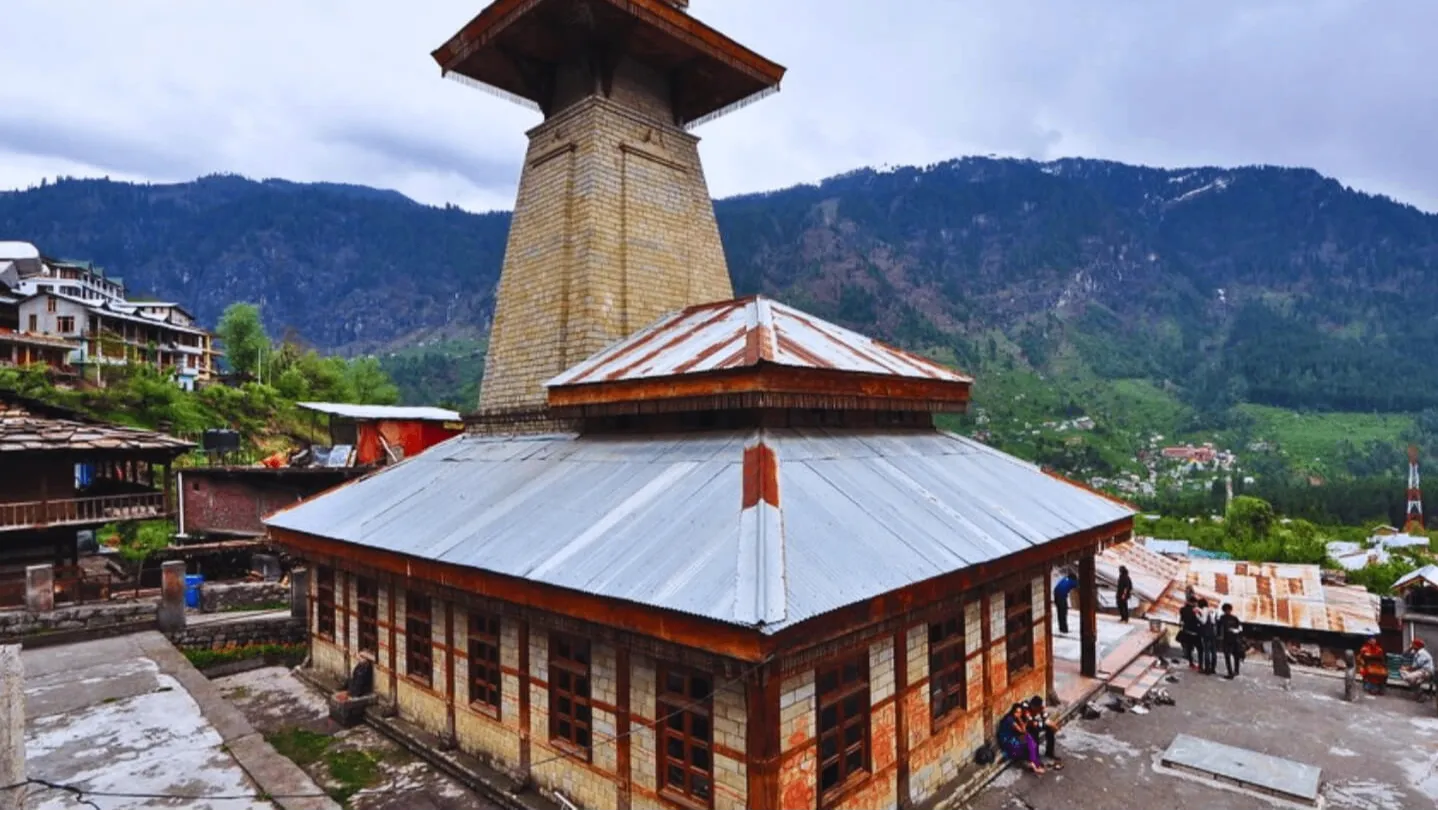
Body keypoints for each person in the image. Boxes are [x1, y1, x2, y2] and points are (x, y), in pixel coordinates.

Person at [997, 703, 1045, 774]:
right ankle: (1035, 765)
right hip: (1007, 740)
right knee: (1029, 742)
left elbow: (1023, 730)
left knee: (1031, 741)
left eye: (1020, 712)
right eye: (1017, 712)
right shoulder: (1010, 719)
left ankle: (1035, 763)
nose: (1018, 714)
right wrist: (1020, 719)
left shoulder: (1014, 718)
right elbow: (1023, 730)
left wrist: (1021, 719)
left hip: (1012, 737)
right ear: (1013, 711)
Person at [1026, 695, 1063, 770]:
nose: (1038, 710)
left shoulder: (1040, 707)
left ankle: (1049, 752)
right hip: (1026, 726)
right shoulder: (1026, 711)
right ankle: (1035, 758)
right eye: (1036, 709)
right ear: (1032, 706)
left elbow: (1046, 719)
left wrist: (1054, 726)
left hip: (1035, 723)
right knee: (1034, 732)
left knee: (1049, 728)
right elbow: (1033, 723)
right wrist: (1046, 723)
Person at [1218, 602, 1244, 679]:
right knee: (1234, 656)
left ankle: (1231, 672)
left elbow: (1220, 628)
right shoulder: (1234, 618)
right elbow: (1240, 628)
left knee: (1229, 656)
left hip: (1228, 639)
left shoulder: (1223, 618)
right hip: (1233, 639)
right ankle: (1235, 671)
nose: (1228, 611)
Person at [1197, 598, 1219, 675]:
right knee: (1213, 651)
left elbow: (1203, 621)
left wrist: (1198, 616)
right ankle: (1213, 668)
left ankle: (1207, 669)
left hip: (1206, 632)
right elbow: (1214, 621)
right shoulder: (1212, 610)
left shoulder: (1203, 611)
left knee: (1206, 651)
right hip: (1213, 632)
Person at [1178, 597, 1200, 669]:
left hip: (1186, 630)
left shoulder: (1183, 609)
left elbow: (1181, 620)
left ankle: (1191, 663)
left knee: (1189, 647)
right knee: (1199, 648)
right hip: (1195, 631)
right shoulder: (1196, 610)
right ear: (1194, 603)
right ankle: (1200, 663)